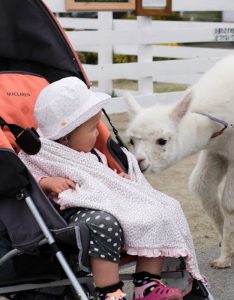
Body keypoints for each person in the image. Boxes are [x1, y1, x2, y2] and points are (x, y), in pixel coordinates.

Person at [19, 77, 205, 300]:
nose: (97, 134)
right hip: (70, 213)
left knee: (160, 211)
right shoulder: (44, 153)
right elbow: (25, 176)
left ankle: (147, 285)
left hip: (105, 202)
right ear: (66, 135)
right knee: (104, 223)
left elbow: (103, 178)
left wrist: (117, 178)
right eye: (91, 129)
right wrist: (45, 182)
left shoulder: (93, 154)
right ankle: (110, 292)